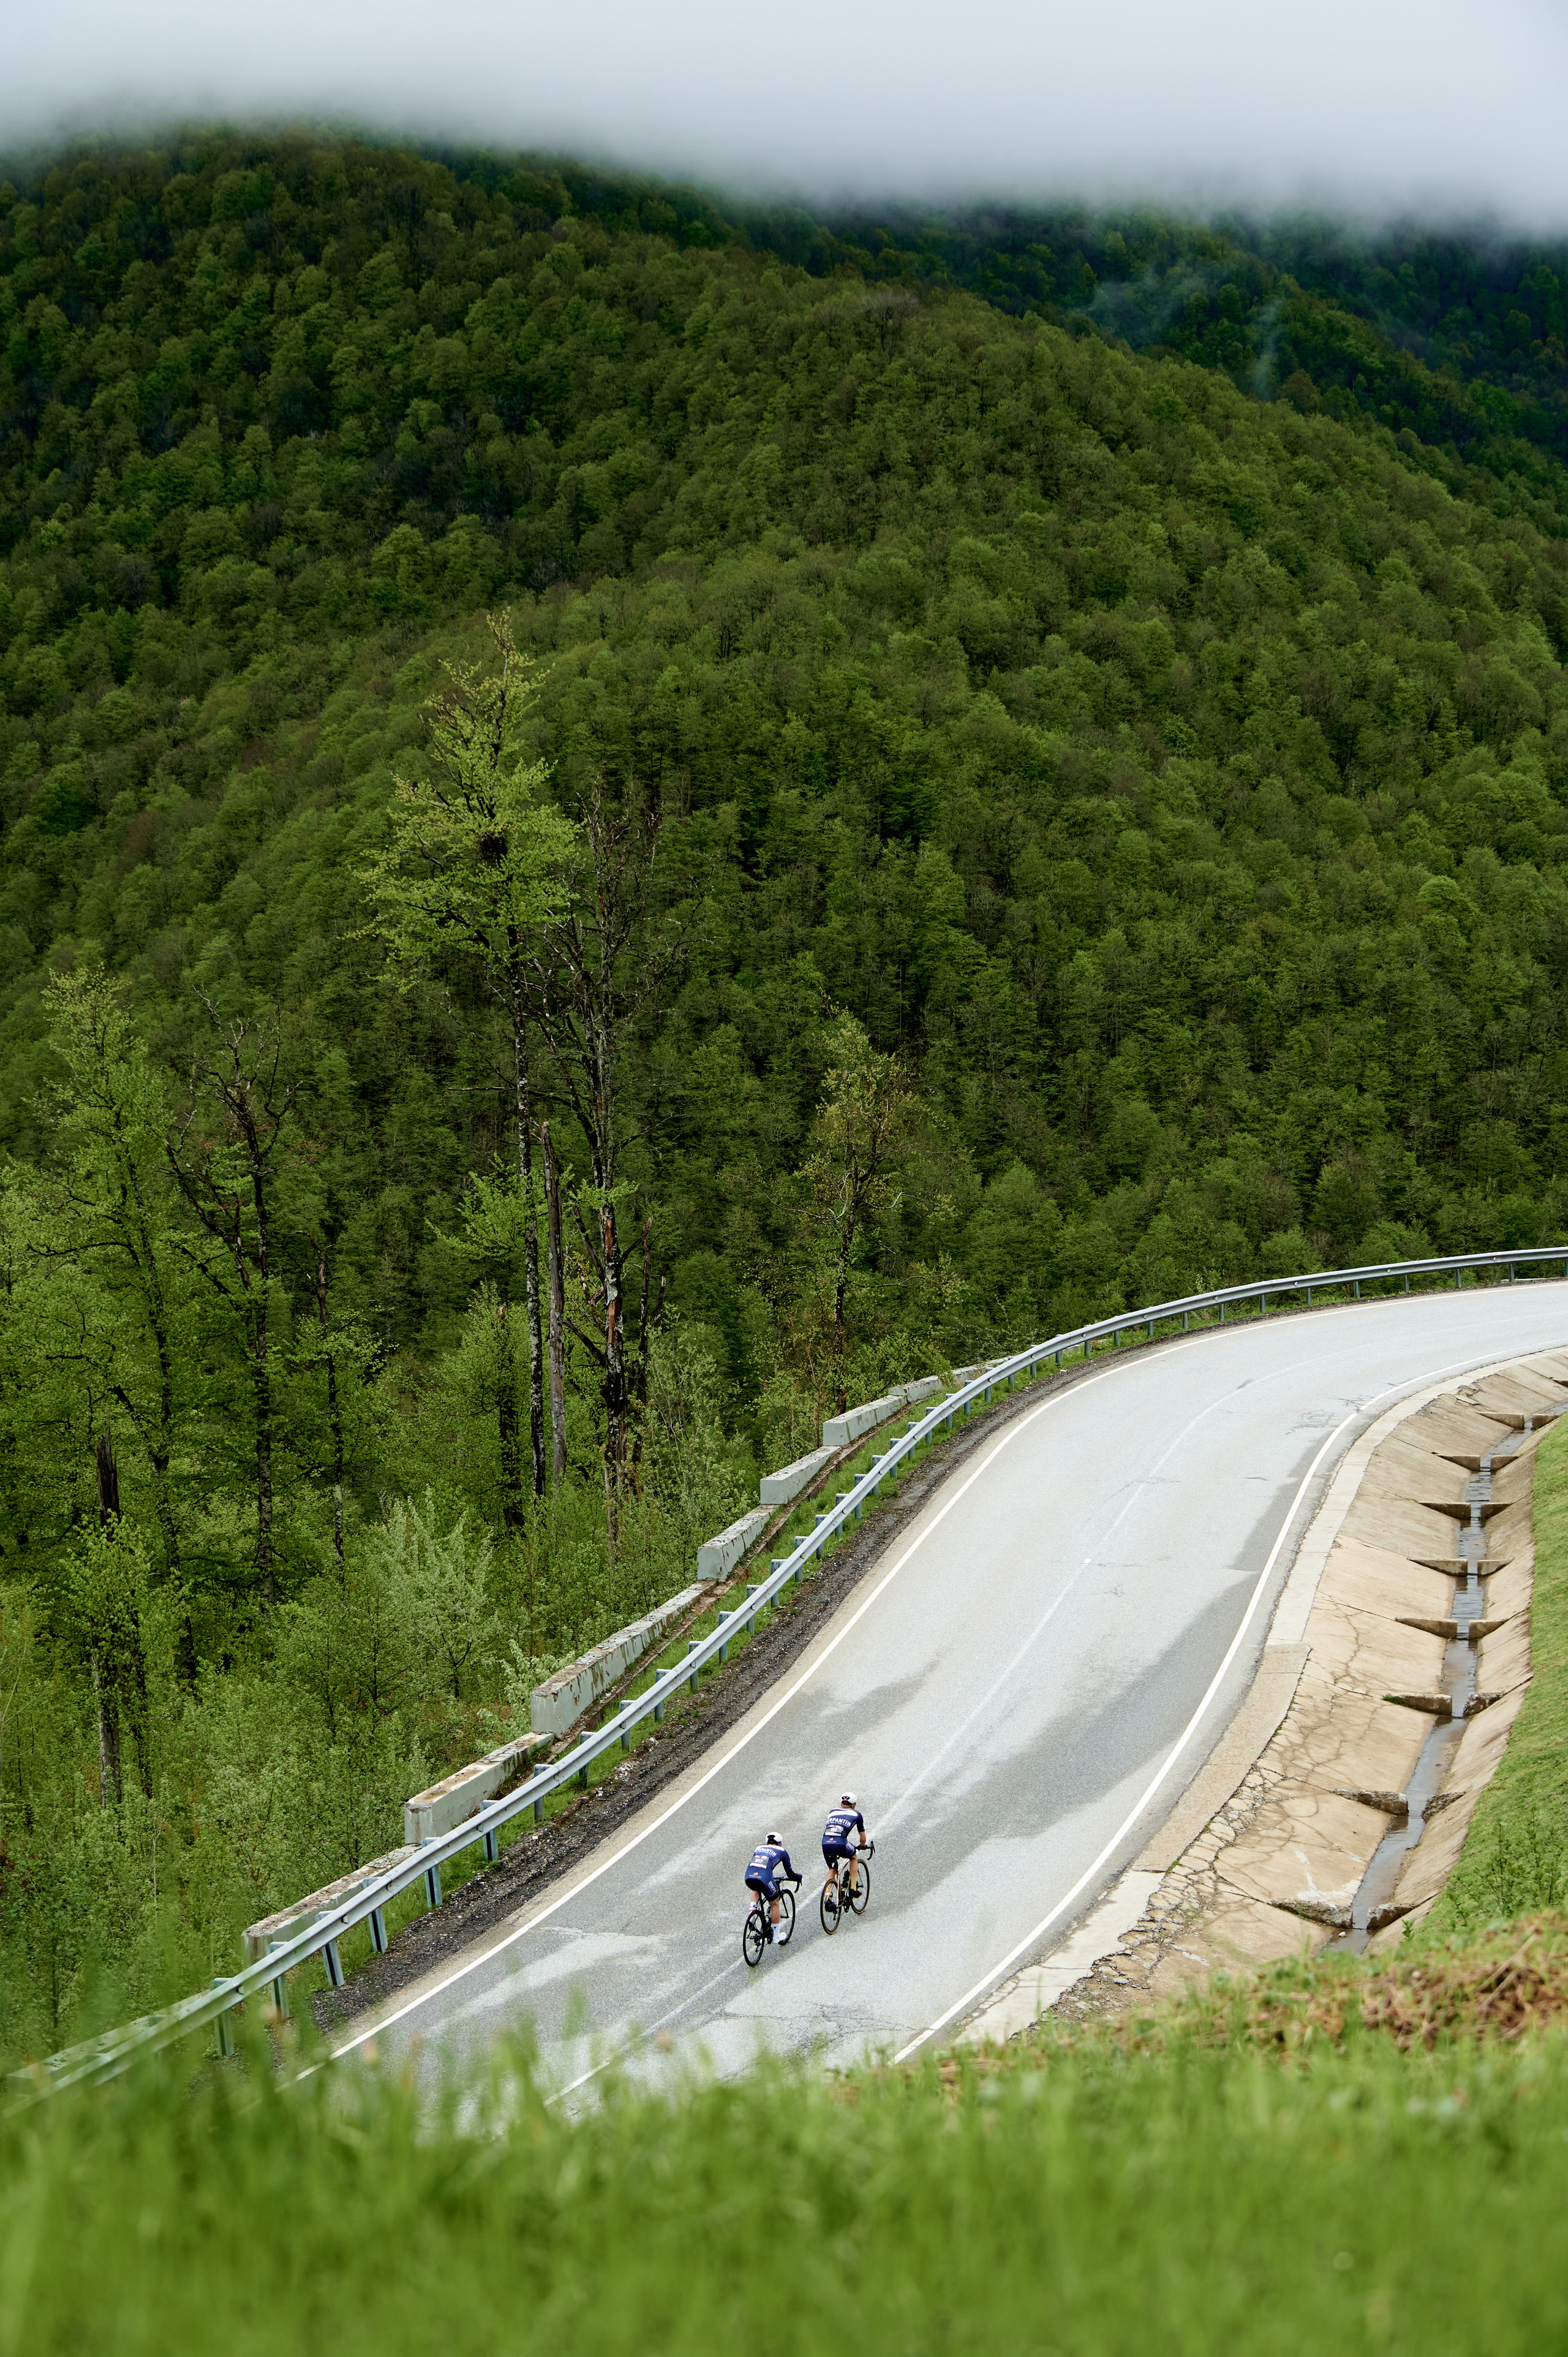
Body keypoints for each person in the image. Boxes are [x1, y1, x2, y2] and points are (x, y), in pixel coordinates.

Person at [744, 1832, 801, 1943]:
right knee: (774, 1902)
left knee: (757, 1885)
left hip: (749, 1876)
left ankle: (752, 1912)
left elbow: (759, 1866)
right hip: (765, 1877)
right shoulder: (782, 1851)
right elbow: (789, 1873)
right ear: (779, 1843)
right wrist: (797, 1877)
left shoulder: (758, 1848)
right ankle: (776, 1936)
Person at [821, 1791, 871, 1904]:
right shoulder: (856, 1814)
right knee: (853, 1856)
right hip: (840, 1842)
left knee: (832, 1869)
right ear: (853, 1805)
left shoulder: (833, 1811)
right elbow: (863, 1839)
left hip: (825, 1842)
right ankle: (853, 1888)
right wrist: (862, 1846)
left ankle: (828, 1897)